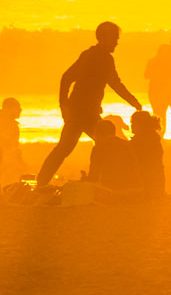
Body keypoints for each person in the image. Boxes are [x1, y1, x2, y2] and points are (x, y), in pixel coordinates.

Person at [36, 22, 146, 190]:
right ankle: (41, 182)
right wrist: (63, 106)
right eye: (114, 39)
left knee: (105, 145)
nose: (117, 42)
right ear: (102, 38)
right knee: (67, 148)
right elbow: (66, 78)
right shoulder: (89, 56)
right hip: (78, 112)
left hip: (91, 112)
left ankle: (102, 180)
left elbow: (115, 83)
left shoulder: (107, 60)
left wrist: (133, 102)